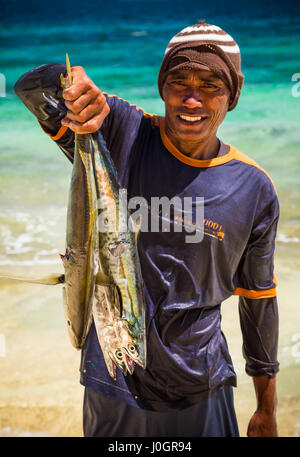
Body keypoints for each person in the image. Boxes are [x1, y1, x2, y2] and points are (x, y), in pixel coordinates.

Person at [14, 20, 279, 438]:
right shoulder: (122, 129)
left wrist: (266, 406)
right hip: (114, 380)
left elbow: (258, 298)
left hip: (202, 384)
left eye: (211, 85)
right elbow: (29, 89)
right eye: (178, 81)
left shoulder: (254, 187)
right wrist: (68, 84)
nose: (192, 100)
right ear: (162, 86)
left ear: (233, 95)